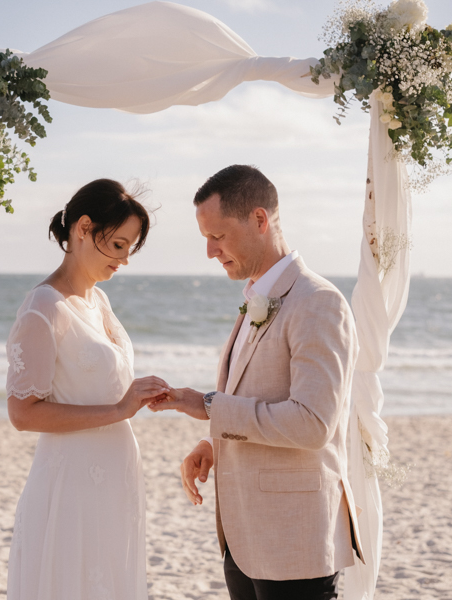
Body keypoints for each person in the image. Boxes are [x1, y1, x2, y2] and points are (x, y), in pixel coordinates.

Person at [150, 165, 364, 600]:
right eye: (205, 238)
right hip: (243, 539)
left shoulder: (318, 302)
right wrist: (214, 445)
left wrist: (209, 407)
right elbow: (260, 400)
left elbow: (312, 424)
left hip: (294, 540)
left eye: (219, 236)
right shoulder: (256, 300)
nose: (210, 251)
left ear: (260, 221)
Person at [4, 179, 169, 600]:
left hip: (115, 481)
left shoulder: (98, 301)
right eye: (117, 245)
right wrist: (119, 409)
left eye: (129, 248)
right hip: (71, 489)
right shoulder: (43, 309)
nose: (124, 259)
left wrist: (141, 396)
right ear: (82, 229)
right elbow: (23, 414)